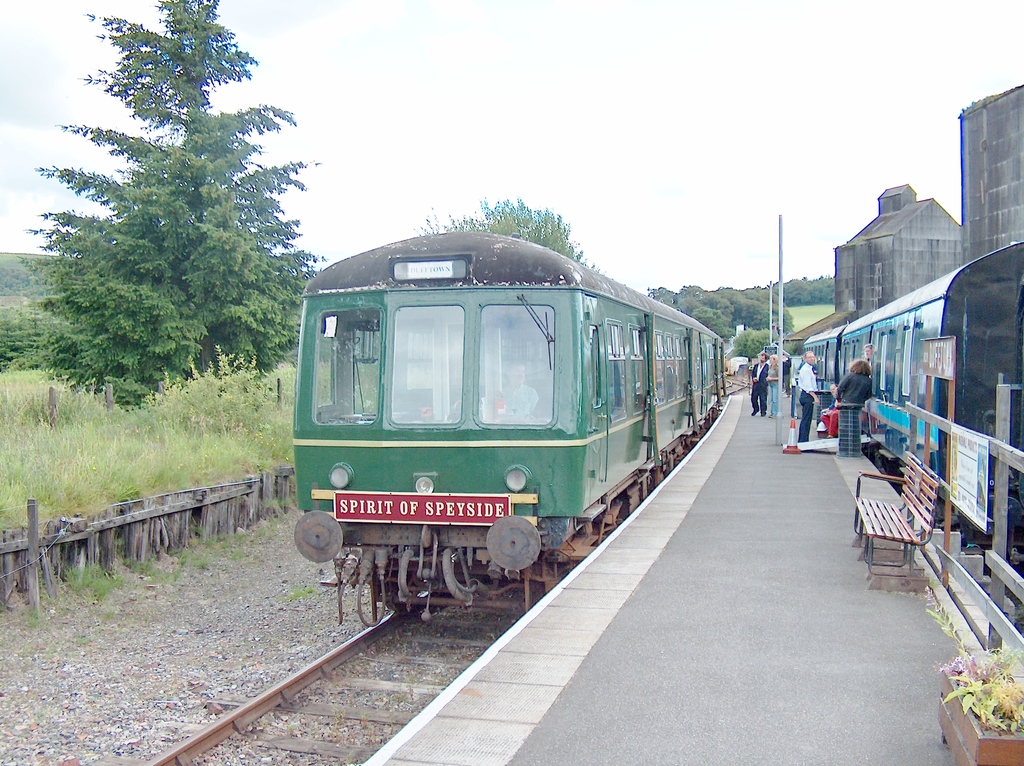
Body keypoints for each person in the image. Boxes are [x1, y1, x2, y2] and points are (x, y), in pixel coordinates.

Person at [796, 350, 819, 443]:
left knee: (807, 419)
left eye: (813, 357)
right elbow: (808, 386)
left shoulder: (809, 368)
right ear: (805, 359)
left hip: (807, 395)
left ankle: (804, 439)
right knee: (806, 419)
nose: (812, 358)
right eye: (809, 357)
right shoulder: (805, 370)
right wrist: (815, 397)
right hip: (807, 396)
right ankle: (803, 440)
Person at [749, 352, 769, 416]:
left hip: (763, 384)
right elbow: (753, 373)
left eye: (763, 358)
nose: (762, 359)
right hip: (756, 384)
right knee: (753, 398)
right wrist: (753, 378)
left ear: (765, 359)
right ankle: (756, 409)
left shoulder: (767, 367)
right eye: (761, 357)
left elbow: (767, 375)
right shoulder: (756, 366)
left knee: (763, 399)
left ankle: (763, 411)